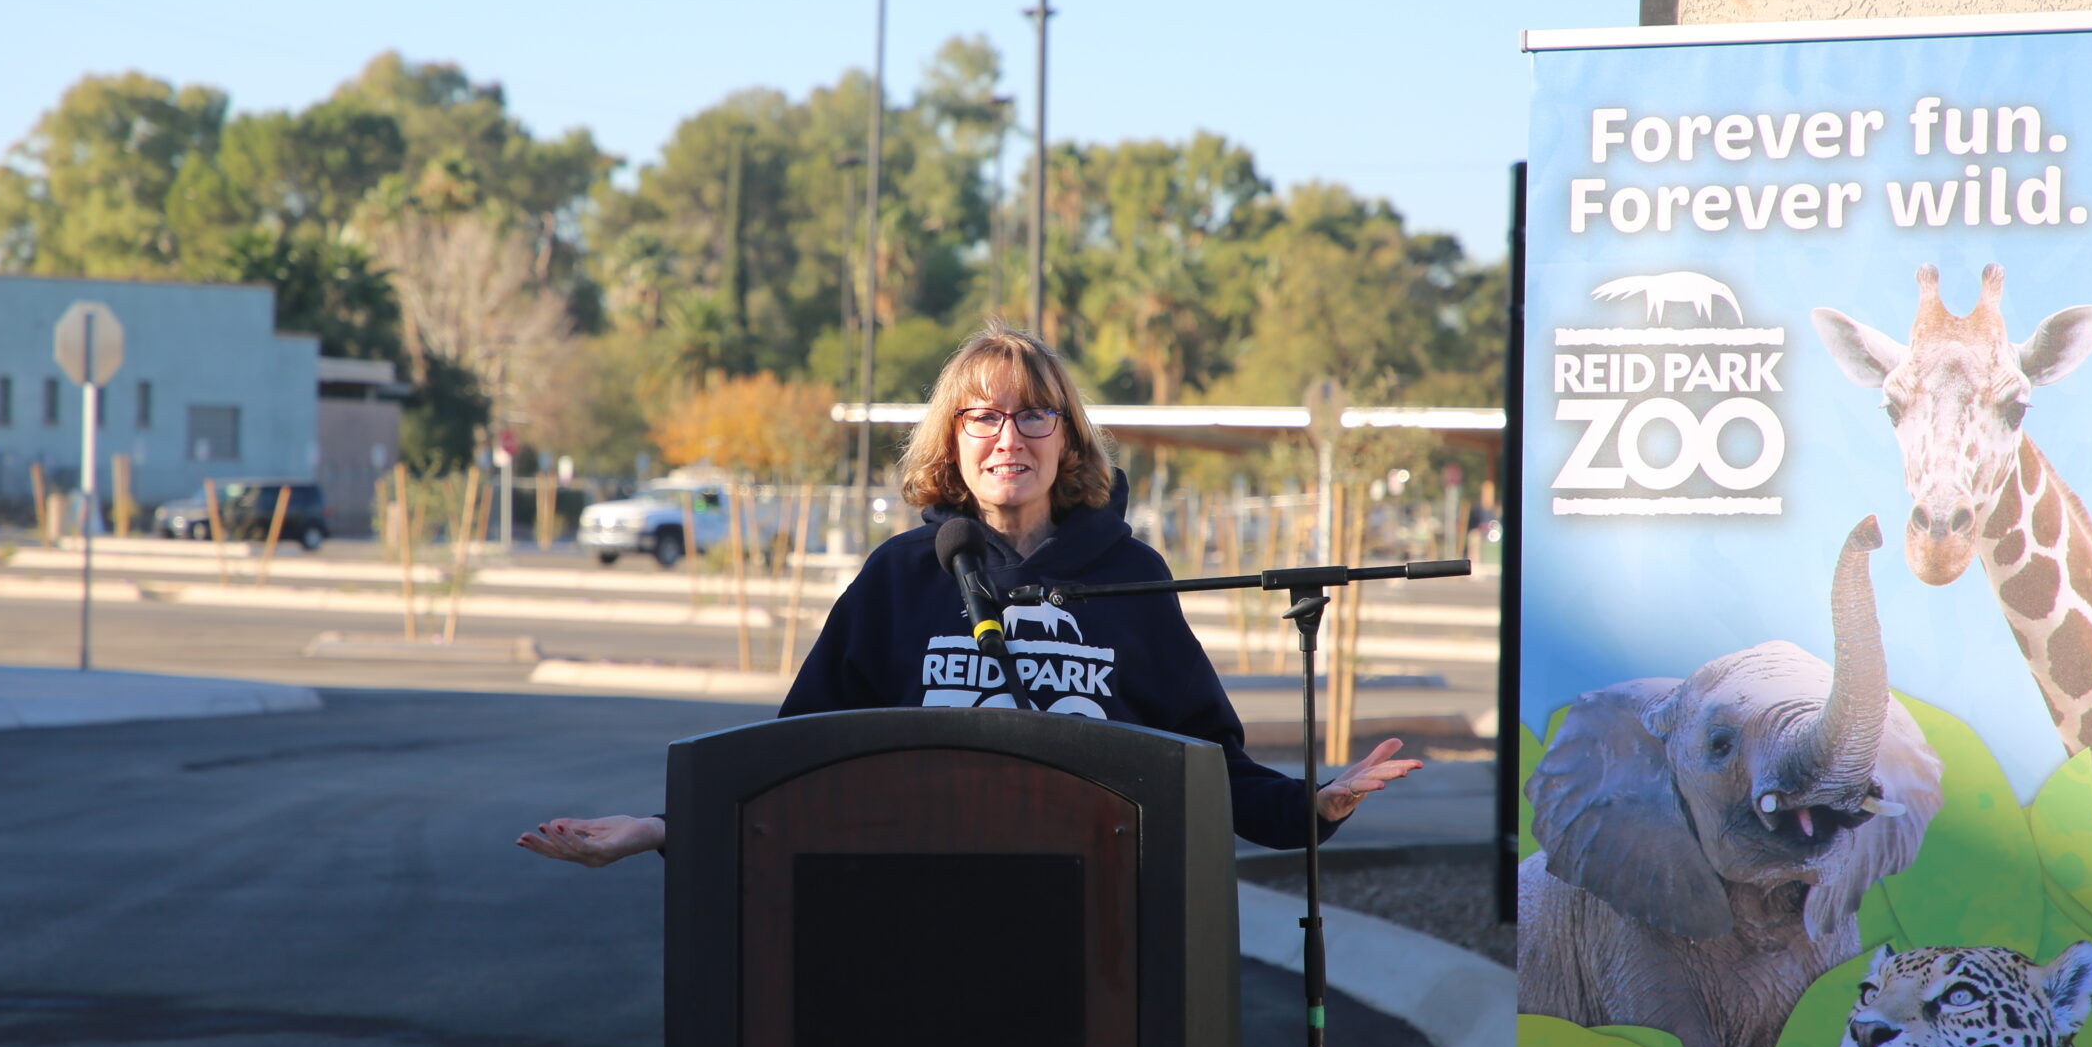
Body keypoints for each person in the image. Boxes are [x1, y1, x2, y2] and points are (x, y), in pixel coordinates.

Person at [518, 321, 1420, 866]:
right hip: (912, 906)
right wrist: (659, 828)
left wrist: (1314, 804)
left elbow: (1208, 764)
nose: (1008, 436)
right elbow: (793, 756)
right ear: (950, 439)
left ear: (1067, 438)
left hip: (1090, 919)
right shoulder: (901, 577)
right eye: (981, 415)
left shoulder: (1129, 577)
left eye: (1034, 413)